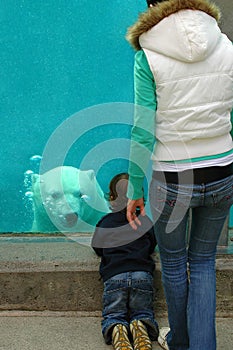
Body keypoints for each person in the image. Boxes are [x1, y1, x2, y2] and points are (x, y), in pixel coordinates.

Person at [126, 0, 233, 349]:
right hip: (222, 169)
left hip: (172, 177)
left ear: (153, 4)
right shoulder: (225, 43)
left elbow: (143, 130)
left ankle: (180, 342)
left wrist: (135, 188)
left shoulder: (148, 54)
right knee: (203, 262)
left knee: (174, 263)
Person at [91, 173, 159, 350]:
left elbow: (97, 247)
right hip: (142, 274)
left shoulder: (105, 222)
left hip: (115, 275)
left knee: (114, 313)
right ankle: (140, 325)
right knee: (143, 311)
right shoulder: (144, 221)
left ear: (111, 198)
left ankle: (117, 327)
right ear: (140, 198)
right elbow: (152, 243)